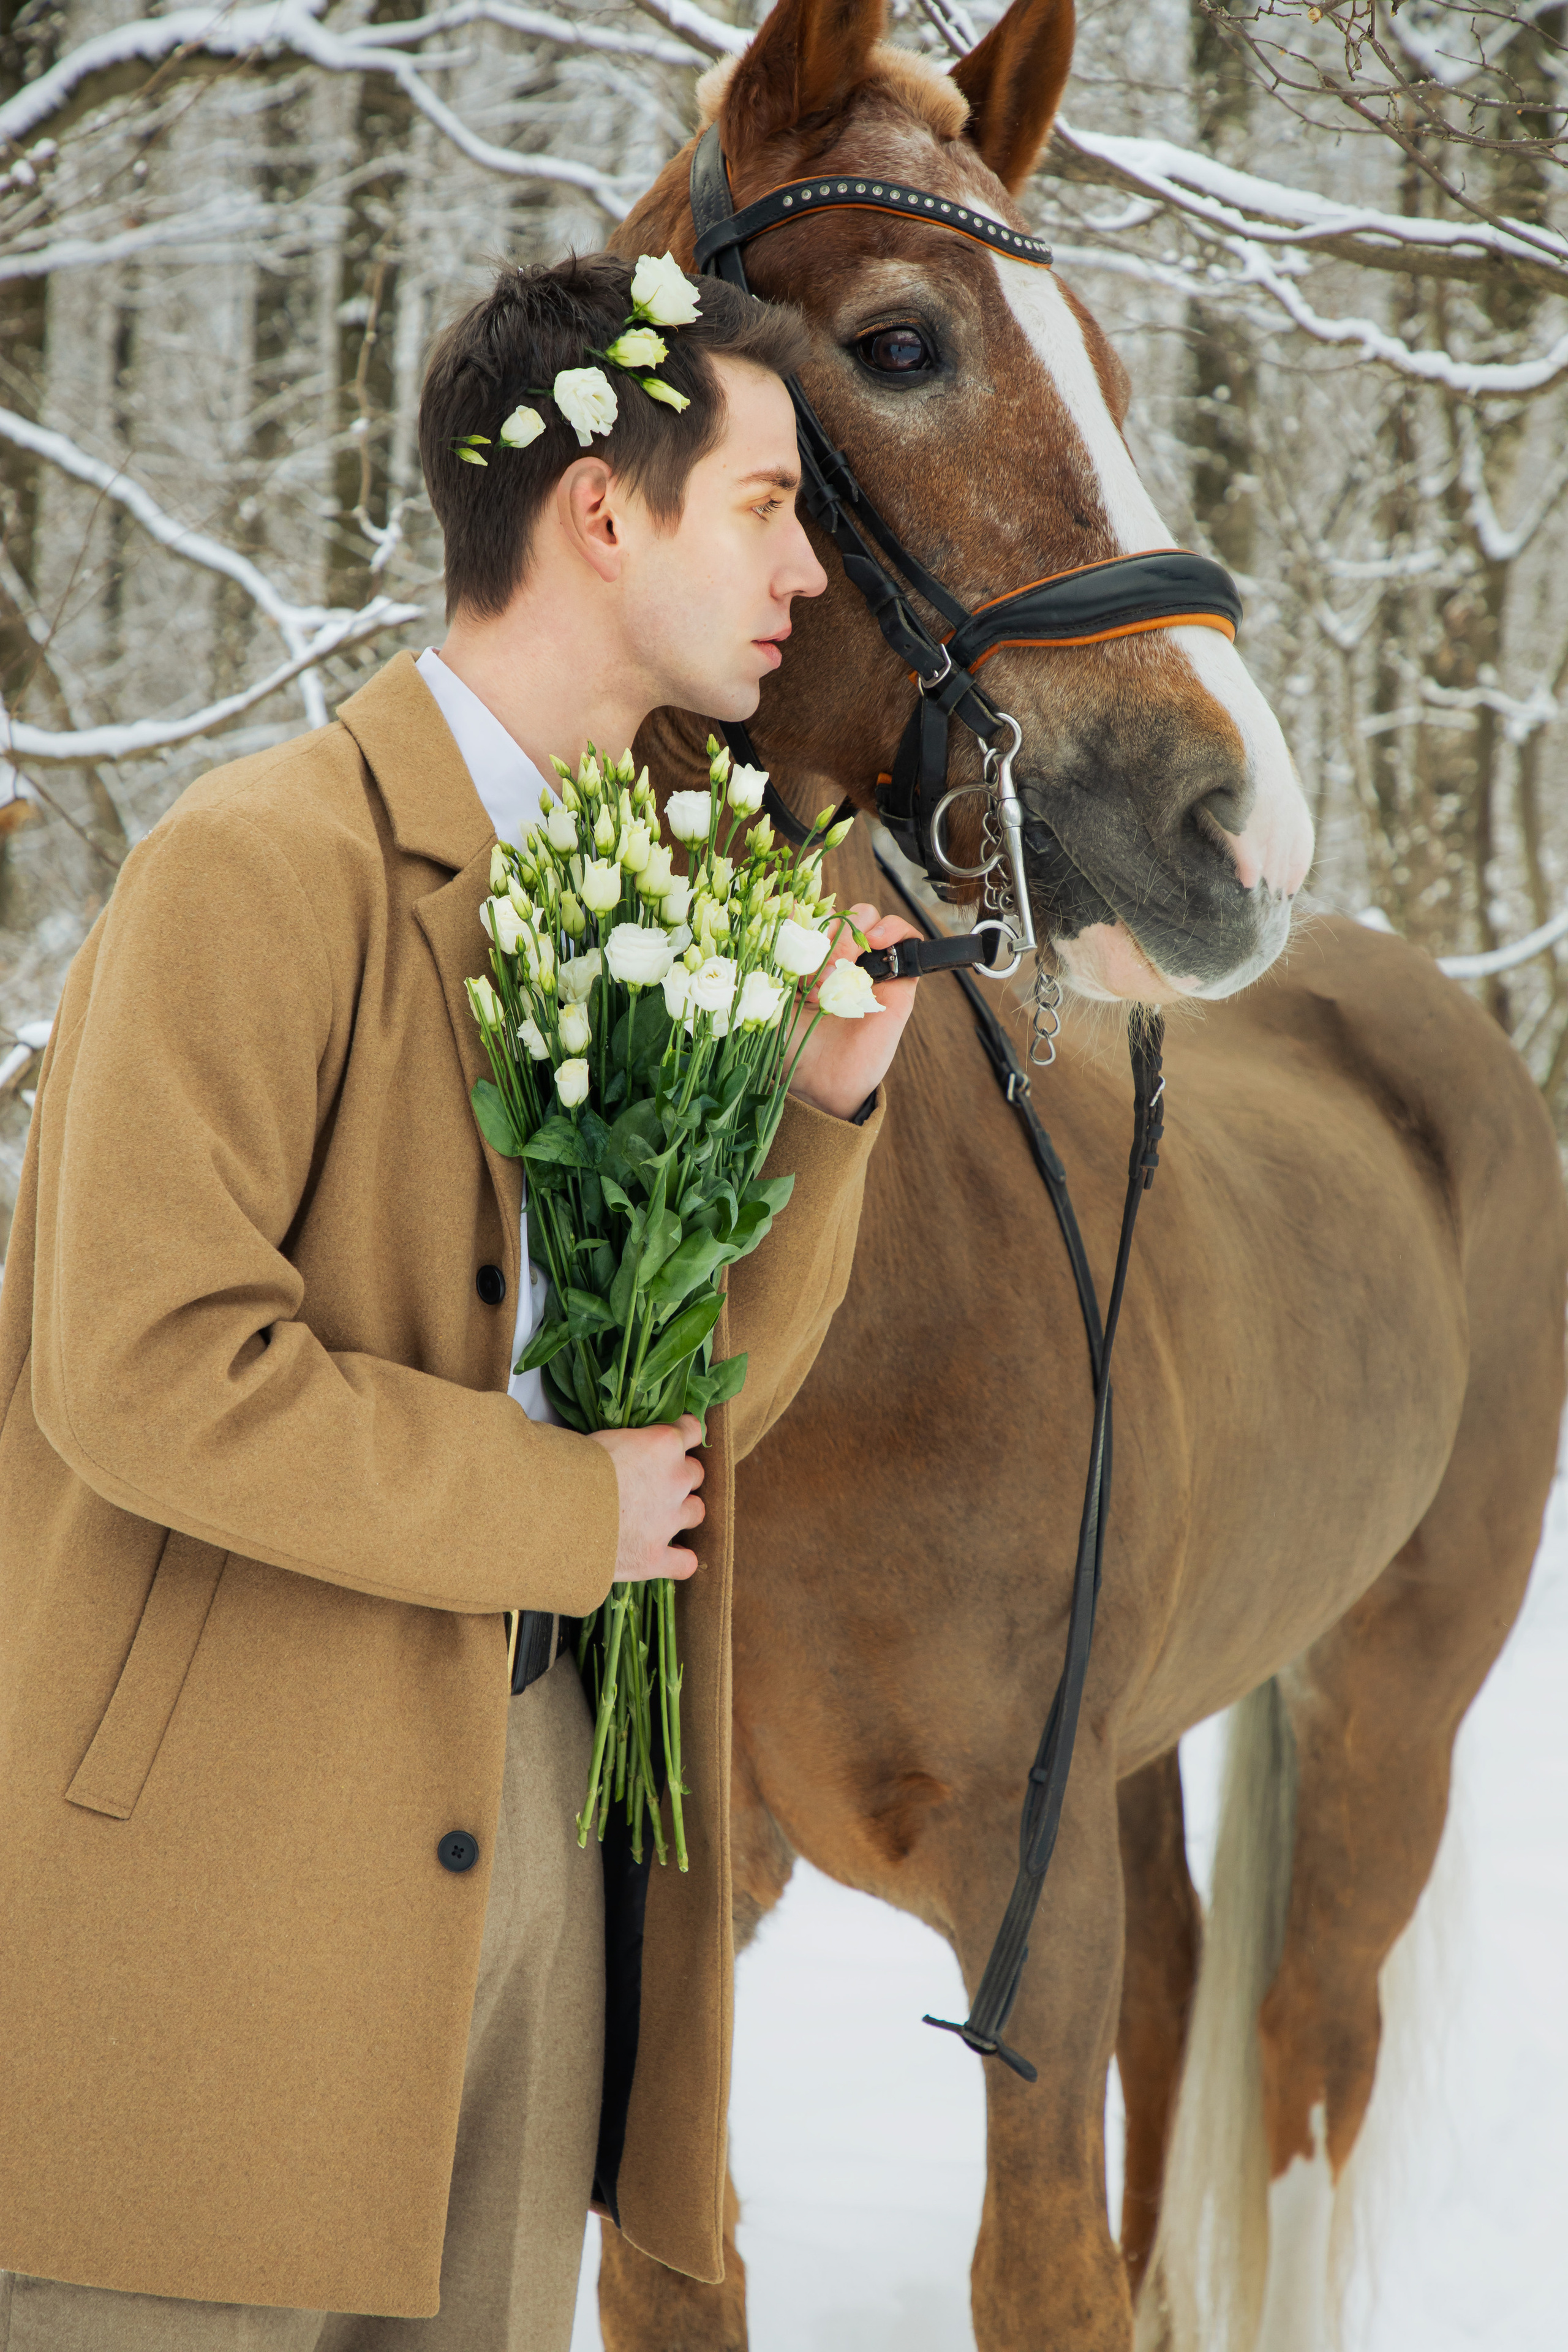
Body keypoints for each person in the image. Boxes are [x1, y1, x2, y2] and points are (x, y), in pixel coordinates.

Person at [0, 251, 919, 2350]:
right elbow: (138, 1371)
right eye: (771, 508)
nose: (808, 574)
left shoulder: (641, 912)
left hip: (529, 1840)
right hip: (212, 1886)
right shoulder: (258, 869)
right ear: (603, 513)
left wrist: (826, 1120)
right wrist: (547, 1515)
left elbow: (680, 1433)